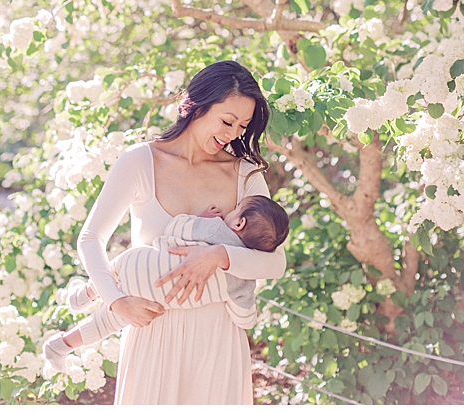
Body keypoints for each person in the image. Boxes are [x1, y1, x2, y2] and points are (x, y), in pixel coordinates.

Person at [74, 60, 286, 404]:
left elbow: (275, 264)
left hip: (218, 335)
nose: (233, 134)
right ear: (197, 107)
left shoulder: (246, 175)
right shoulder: (140, 162)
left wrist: (219, 255)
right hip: (153, 328)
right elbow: (91, 238)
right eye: (227, 121)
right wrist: (117, 301)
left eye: (243, 126)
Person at [43, 195, 289, 371]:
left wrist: (200, 219)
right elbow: (245, 319)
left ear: (239, 223)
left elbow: (176, 227)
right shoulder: (243, 279)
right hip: (153, 300)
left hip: (141, 262)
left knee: (116, 271)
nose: (228, 213)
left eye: (234, 211)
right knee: (105, 323)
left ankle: (84, 293)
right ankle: (60, 346)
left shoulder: (215, 229)